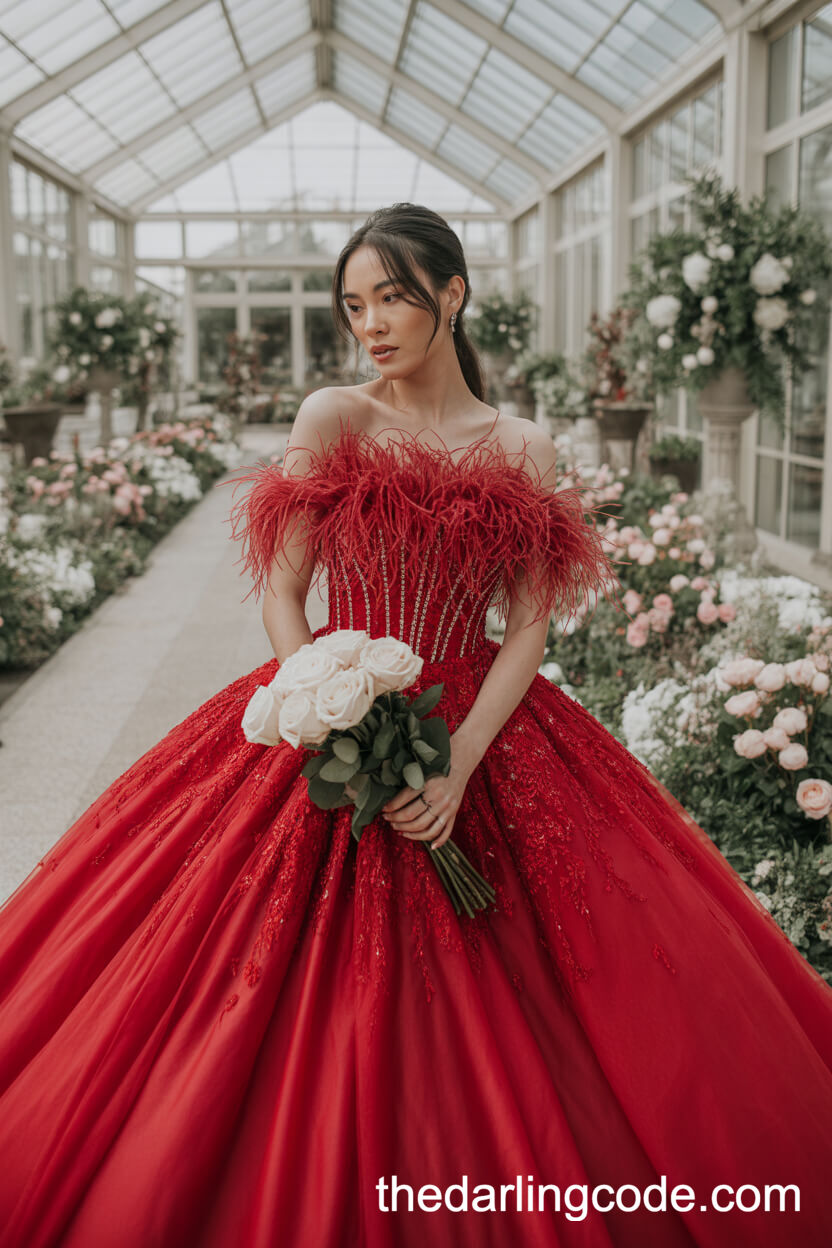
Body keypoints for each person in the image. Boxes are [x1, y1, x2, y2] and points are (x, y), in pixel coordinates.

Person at [0, 204, 831, 1248]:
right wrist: (328, 696)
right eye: (355, 305)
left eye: (392, 296)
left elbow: (527, 625)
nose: (372, 324)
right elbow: (283, 590)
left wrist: (460, 765)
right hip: (333, 706)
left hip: (484, 723)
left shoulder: (523, 444)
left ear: (452, 293)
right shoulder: (334, 416)